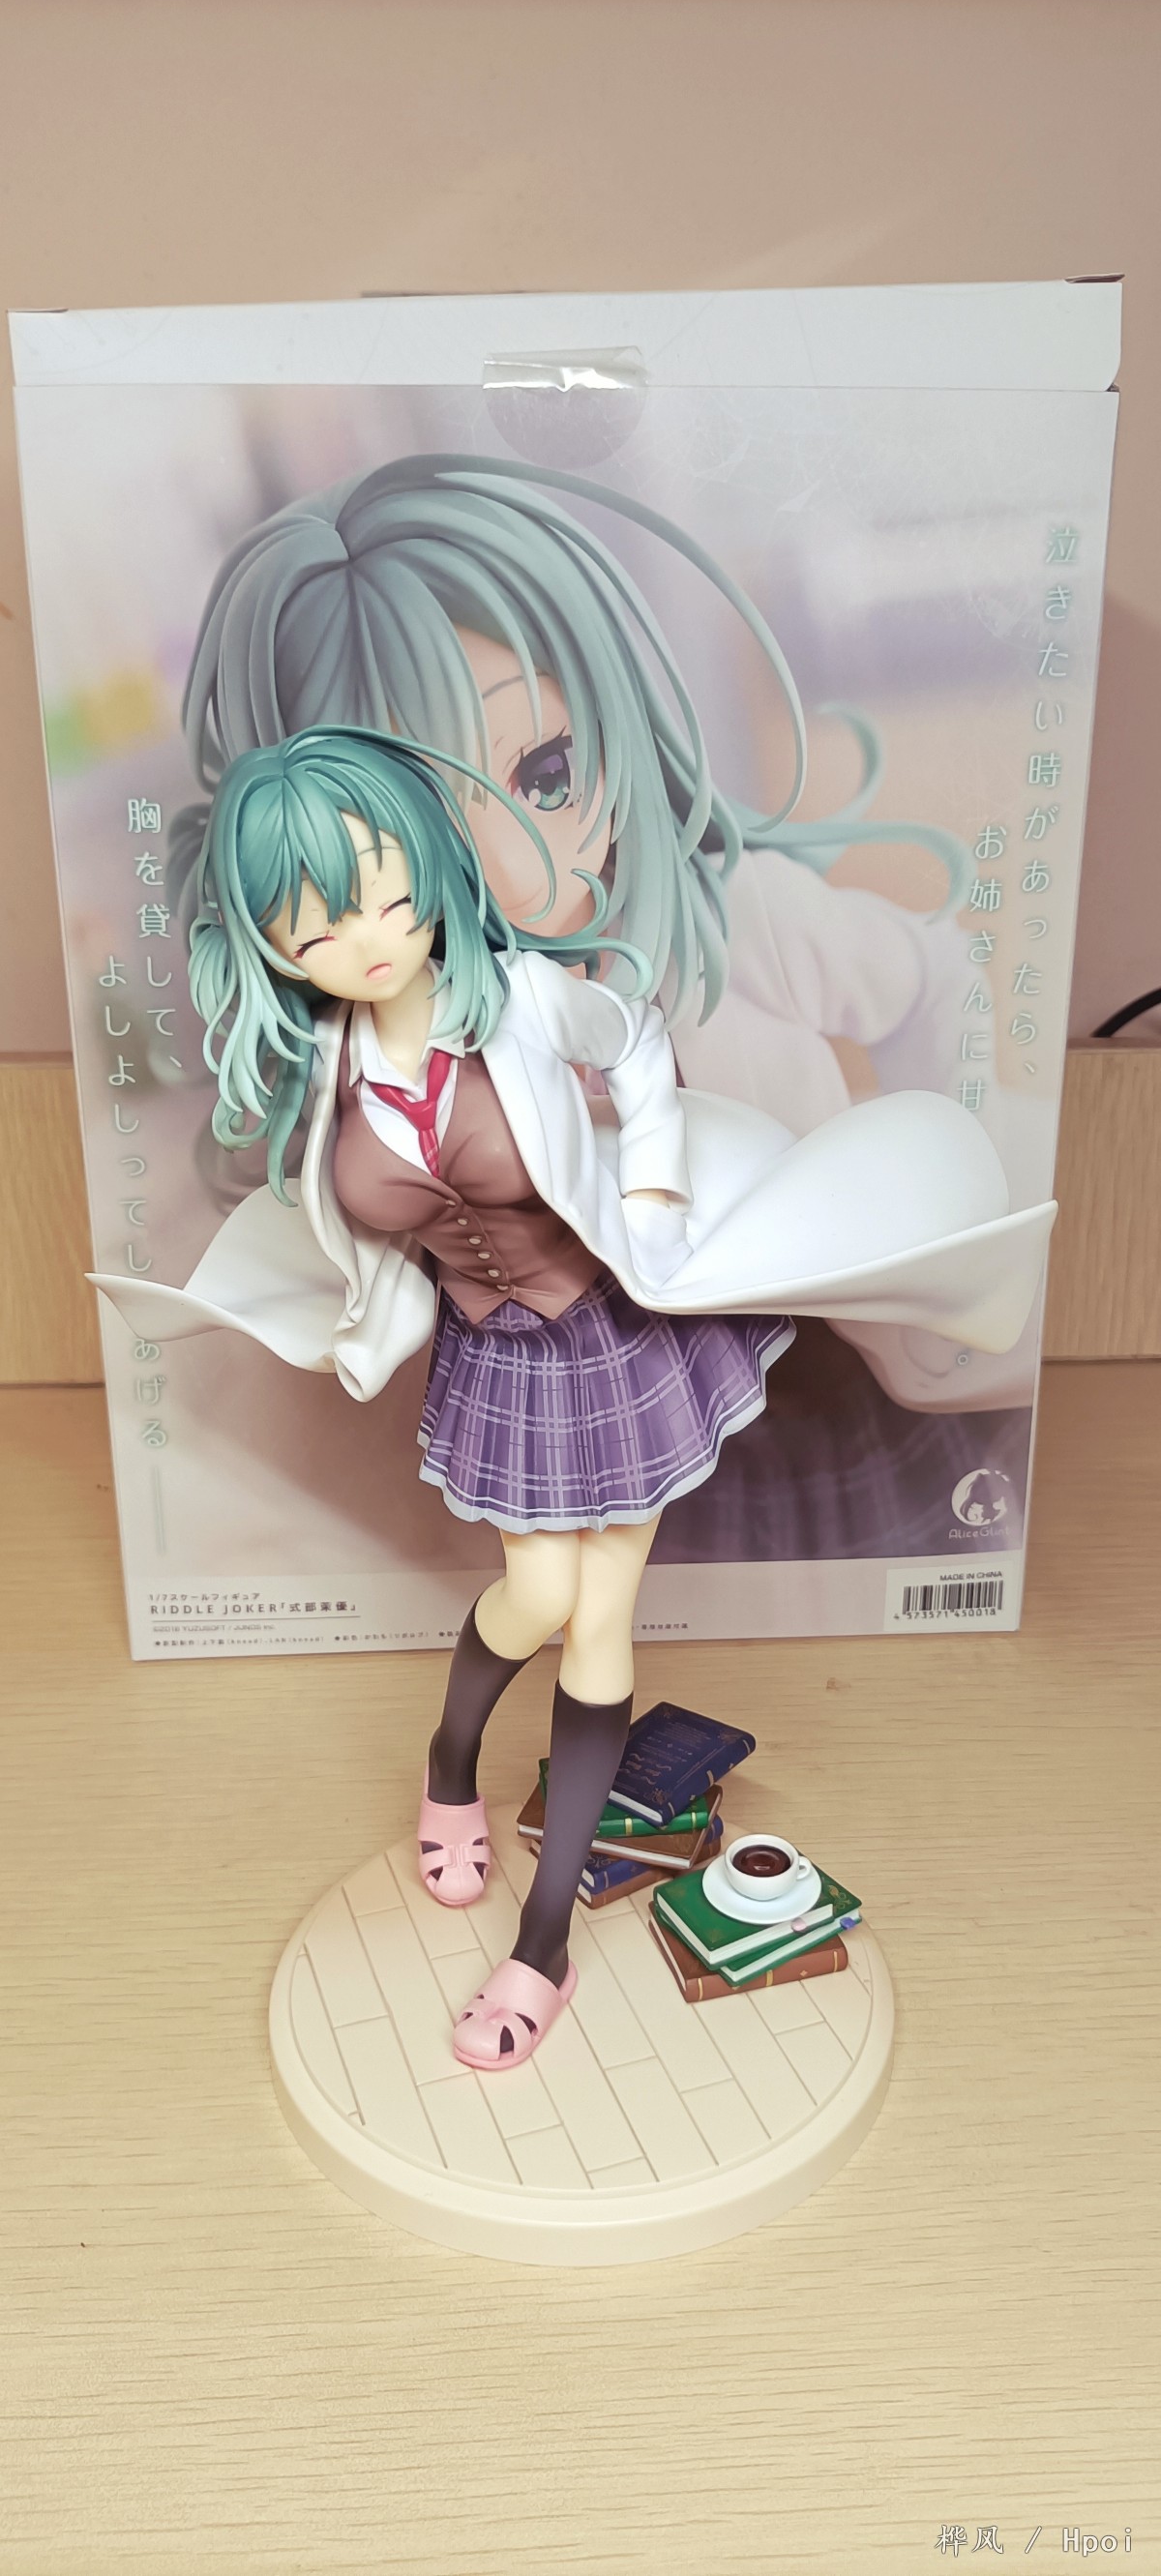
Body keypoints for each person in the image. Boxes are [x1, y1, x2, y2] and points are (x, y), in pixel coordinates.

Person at [96, 725, 1053, 2070]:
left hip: (612, 1335)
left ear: (428, 866)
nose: (369, 935)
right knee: (538, 1596)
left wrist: (650, 1187)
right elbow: (345, 1226)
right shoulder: (324, 1075)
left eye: (387, 889)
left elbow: (639, 1047)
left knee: (600, 1620)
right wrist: (352, 1313)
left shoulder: (523, 998)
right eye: (315, 923)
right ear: (266, 941)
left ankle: (541, 1944)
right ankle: (450, 1759)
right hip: (497, 1363)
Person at [173, 451, 1032, 1564]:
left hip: (824, 1396)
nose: (515, 869)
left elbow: (932, 976)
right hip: (580, 1444)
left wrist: (944, 1237)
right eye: (416, 832)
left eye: (546, 770)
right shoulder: (401, 1027)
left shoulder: (739, 922)